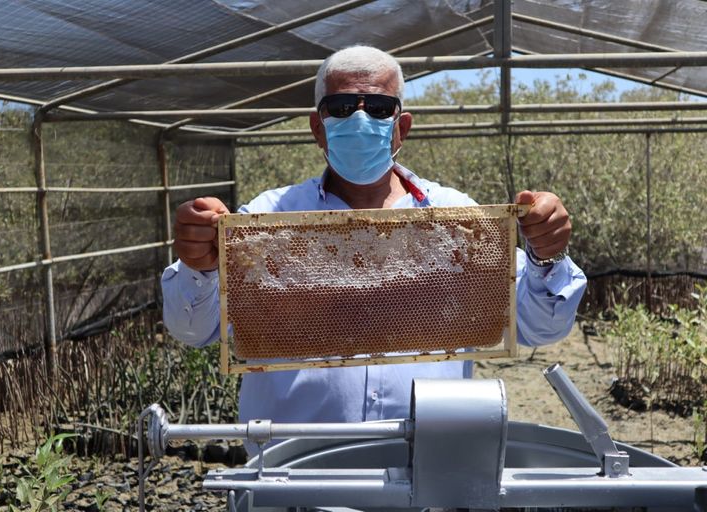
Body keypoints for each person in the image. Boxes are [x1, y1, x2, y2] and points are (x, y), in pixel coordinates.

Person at [161, 46, 586, 447]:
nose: (361, 121)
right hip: (294, 473)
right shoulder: (265, 219)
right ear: (317, 126)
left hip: (426, 469)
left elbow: (539, 326)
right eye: (342, 108)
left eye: (379, 109)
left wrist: (546, 255)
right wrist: (200, 264)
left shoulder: (459, 218)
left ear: (401, 126)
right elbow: (195, 330)